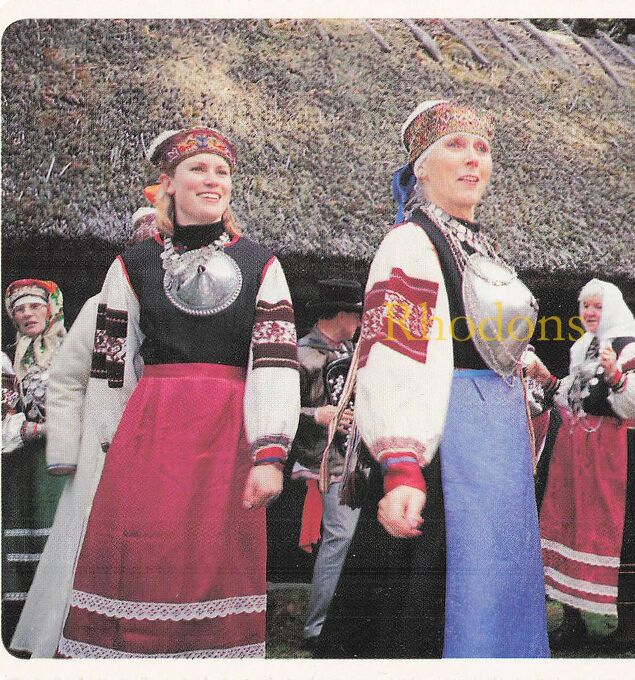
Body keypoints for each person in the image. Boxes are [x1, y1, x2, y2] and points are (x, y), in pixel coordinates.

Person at [313, 100, 549, 658]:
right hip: (448, 446)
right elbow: (397, 353)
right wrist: (401, 467)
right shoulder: (412, 244)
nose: (472, 159)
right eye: (455, 146)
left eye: (482, 148)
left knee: (497, 587)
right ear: (420, 165)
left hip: (495, 451)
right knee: (431, 606)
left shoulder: (479, 246)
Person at [55, 127, 300, 658]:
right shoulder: (132, 265)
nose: (212, 180)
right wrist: (107, 442)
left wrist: (271, 453)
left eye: (222, 172)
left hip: (229, 433)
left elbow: (275, 364)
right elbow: (109, 364)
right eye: (198, 169)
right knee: (141, 555)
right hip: (150, 432)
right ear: (169, 182)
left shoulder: (263, 264)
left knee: (213, 559)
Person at [11, 209, 160, 657]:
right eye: (144, 244)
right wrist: (65, 452)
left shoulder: (191, 309)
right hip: (105, 444)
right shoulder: (101, 307)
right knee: (89, 539)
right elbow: (66, 380)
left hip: (167, 441)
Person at [529, 279, 635, 652]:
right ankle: (571, 621)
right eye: (585, 306)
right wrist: (548, 379)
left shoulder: (631, 348)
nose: (589, 313)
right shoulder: (581, 348)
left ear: (610, 308)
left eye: (596, 307)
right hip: (574, 454)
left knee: (617, 536)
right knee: (568, 528)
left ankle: (628, 628)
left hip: (613, 458)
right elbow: (572, 397)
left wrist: (616, 376)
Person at [292, 278, 364, 651]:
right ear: (341, 314)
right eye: (355, 315)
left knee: (350, 538)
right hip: (324, 460)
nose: (359, 323)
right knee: (340, 536)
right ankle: (317, 627)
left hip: (356, 459)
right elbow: (280, 407)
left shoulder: (352, 351)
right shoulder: (301, 353)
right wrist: (316, 414)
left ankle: (340, 620)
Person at [1, 279, 67, 648]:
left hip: (67, 458)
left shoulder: (73, 348)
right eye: (19, 309)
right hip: (27, 464)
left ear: (50, 308)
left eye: (34, 307)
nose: (27, 314)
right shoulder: (9, 358)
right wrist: (34, 429)